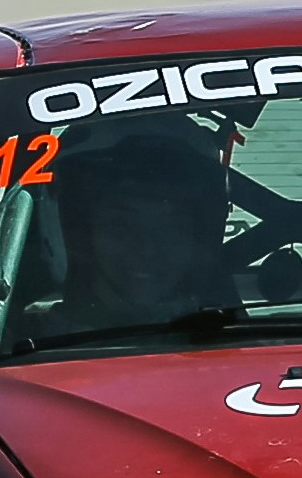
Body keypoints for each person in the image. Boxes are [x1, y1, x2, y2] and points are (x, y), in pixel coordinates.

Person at [48, 119, 235, 331]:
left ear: (200, 235)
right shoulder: (14, 352)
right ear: (78, 232)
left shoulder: (262, 341)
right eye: (121, 226)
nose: (147, 248)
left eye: (170, 229)